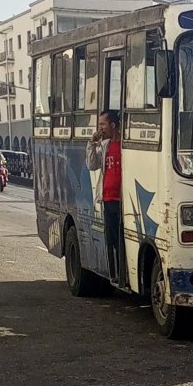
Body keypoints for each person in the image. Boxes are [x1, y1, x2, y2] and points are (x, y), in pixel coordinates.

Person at [86, 110, 122, 284]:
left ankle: (123, 271)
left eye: (102, 124)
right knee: (112, 240)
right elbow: (92, 165)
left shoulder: (124, 145)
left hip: (121, 200)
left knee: (122, 239)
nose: (100, 128)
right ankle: (114, 273)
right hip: (107, 198)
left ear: (113, 125)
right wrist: (92, 144)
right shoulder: (105, 145)